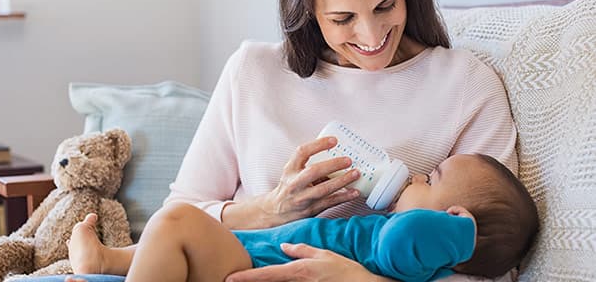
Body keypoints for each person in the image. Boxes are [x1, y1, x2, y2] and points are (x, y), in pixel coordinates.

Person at [162, 0, 519, 281]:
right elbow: (180, 213)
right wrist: (272, 208)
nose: (371, 36)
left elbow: (494, 267)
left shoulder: (467, 85)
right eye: (342, 19)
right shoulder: (252, 71)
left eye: (386, 5)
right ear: (308, 10)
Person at [64, 153, 538, 282]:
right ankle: (106, 261)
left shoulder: (404, 248)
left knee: (177, 224)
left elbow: (413, 237)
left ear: (453, 221)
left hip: (253, 269)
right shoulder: (392, 239)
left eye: (430, 179)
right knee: (177, 246)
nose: (413, 176)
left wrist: (462, 232)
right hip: (253, 250)